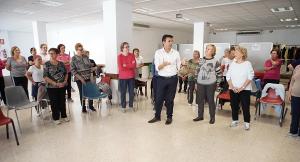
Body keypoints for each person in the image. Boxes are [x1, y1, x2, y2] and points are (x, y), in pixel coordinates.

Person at [148, 34, 181, 125]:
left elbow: (179, 65)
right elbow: (158, 67)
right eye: (169, 41)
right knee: (158, 99)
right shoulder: (158, 52)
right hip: (161, 79)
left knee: (170, 100)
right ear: (163, 42)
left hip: (173, 79)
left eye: (172, 41)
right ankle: (157, 116)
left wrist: (180, 68)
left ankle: (169, 117)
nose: (171, 43)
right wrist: (164, 64)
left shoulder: (176, 53)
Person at [226, 46, 254, 130]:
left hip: (244, 89)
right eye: (235, 52)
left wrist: (242, 87)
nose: (235, 53)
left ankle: (247, 122)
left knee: (245, 106)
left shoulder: (247, 63)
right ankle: (235, 121)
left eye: (237, 52)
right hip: (233, 89)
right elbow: (228, 76)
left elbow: (250, 76)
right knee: (234, 106)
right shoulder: (232, 63)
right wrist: (232, 86)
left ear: (242, 54)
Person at [193, 44, 222, 124]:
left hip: (210, 84)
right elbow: (197, 71)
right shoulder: (201, 60)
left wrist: (218, 85)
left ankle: (212, 117)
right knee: (200, 100)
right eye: (206, 48)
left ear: (213, 51)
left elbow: (219, 74)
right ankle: (200, 116)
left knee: (210, 101)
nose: (206, 50)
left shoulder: (215, 61)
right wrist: (196, 82)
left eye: (209, 49)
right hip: (200, 83)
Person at [43, 48, 69, 125]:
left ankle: (64, 116)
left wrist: (64, 81)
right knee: (54, 102)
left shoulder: (61, 63)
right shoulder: (46, 64)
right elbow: (45, 76)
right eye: (50, 53)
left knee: (62, 101)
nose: (51, 54)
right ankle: (56, 118)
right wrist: (55, 83)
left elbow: (66, 73)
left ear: (57, 54)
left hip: (62, 86)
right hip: (51, 87)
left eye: (53, 53)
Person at [71, 43, 95, 113]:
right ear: (76, 50)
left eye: (82, 49)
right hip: (79, 78)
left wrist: (93, 67)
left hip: (88, 77)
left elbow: (89, 66)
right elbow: (73, 70)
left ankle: (91, 106)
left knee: (90, 91)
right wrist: (81, 79)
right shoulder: (74, 58)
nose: (81, 51)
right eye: (79, 50)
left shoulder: (85, 57)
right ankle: (83, 107)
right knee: (83, 93)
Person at [117, 42, 136, 112]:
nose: (128, 48)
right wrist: (129, 65)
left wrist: (126, 65)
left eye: (128, 46)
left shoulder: (132, 55)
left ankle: (131, 106)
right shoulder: (119, 57)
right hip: (123, 78)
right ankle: (123, 107)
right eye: (126, 47)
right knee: (123, 92)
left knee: (131, 92)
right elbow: (121, 68)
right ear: (122, 48)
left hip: (131, 77)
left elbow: (134, 66)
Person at [288, 65, 300, 137]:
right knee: (295, 113)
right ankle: (293, 131)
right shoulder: (298, 67)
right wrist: (289, 93)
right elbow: (292, 81)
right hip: (295, 94)